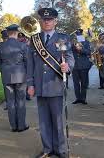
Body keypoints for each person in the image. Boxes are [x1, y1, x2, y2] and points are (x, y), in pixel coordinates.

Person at [27, 8, 74, 158]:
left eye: (50, 20)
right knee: (44, 121)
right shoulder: (34, 40)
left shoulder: (62, 39)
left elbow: (69, 57)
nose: (47, 22)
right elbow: (30, 64)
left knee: (58, 120)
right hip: (40, 85)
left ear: (55, 21)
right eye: (44, 20)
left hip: (56, 85)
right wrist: (30, 84)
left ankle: (60, 150)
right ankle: (47, 149)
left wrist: (68, 66)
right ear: (40, 21)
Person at [0, 24, 29, 132]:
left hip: (6, 76)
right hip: (20, 75)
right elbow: (27, 61)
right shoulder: (22, 45)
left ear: (8, 33)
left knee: (10, 101)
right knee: (21, 101)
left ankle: (13, 126)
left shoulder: (0, 46)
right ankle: (21, 125)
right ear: (17, 33)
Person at [72, 28, 92, 105]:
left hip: (84, 66)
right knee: (76, 83)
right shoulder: (72, 43)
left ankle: (83, 98)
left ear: (81, 35)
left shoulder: (86, 42)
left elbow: (88, 52)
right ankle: (78, 98)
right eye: (77, 34)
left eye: (79, 34)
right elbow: (69, 52)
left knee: (84, 83)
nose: (78, 36)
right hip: (75, 66)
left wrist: (81, 49)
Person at [0, 30, 9, 109]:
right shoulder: (16, 44)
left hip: (4, 69)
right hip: (16, 70)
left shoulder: (0, 45)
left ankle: (9, 103)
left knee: (6, 87)